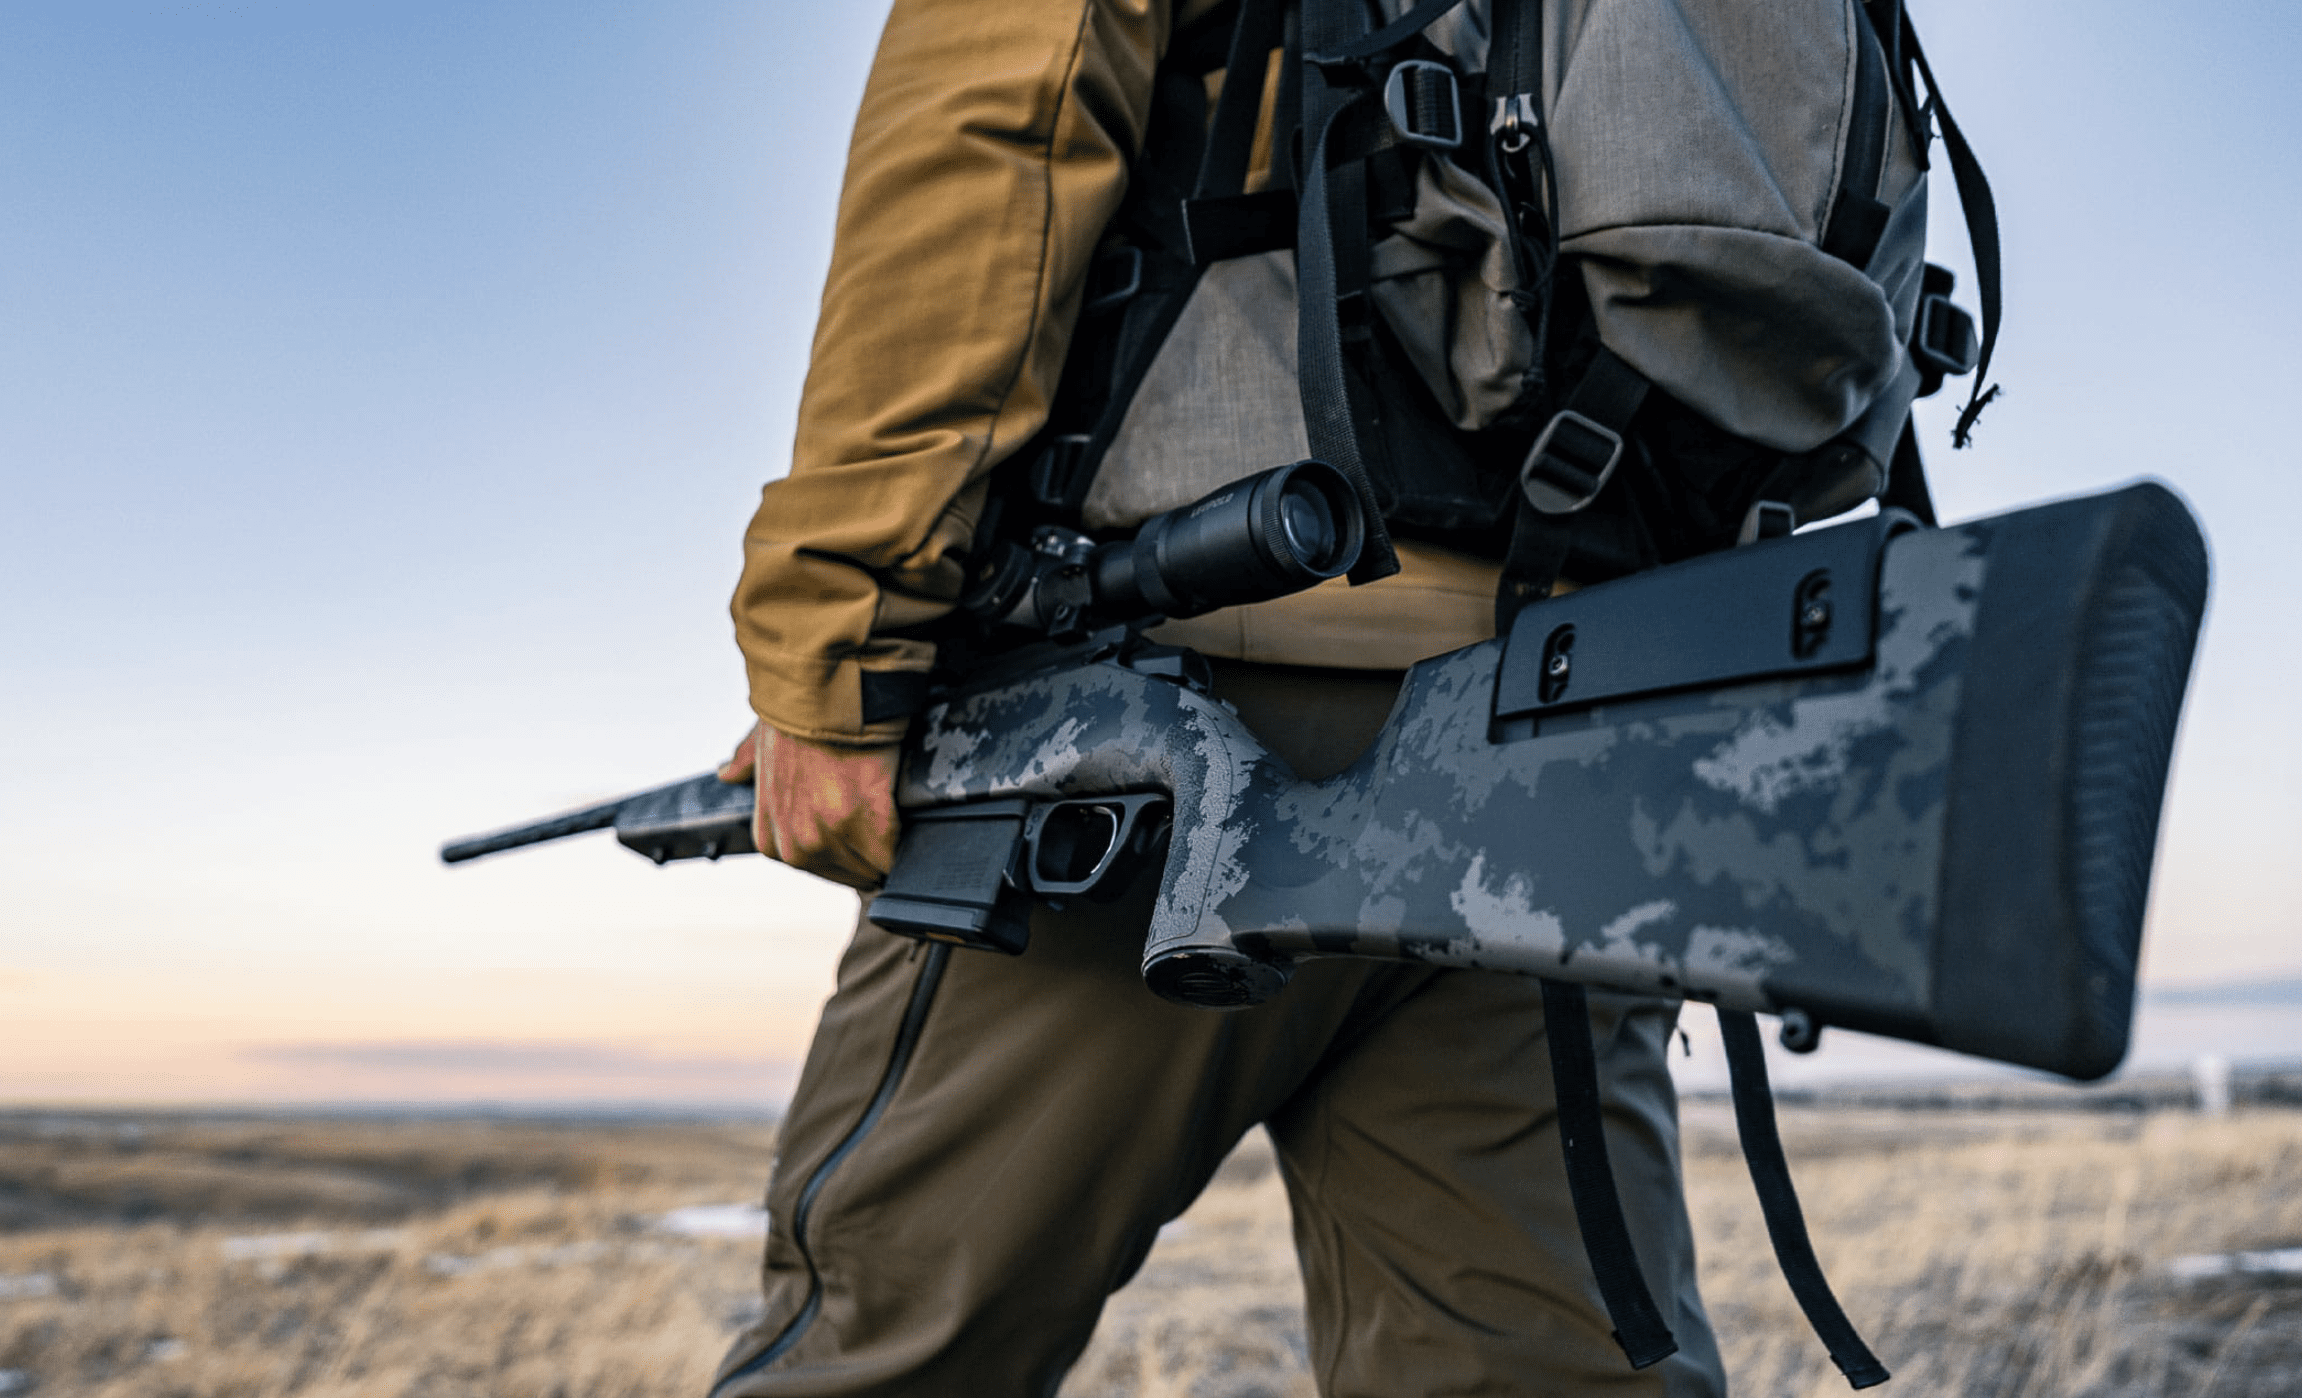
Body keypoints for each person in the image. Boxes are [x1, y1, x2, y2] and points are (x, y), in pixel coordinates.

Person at [708, 1, 1724, 1393]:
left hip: (1160, 715)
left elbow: (1000, 120)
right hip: (1559, 730)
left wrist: (838, 645)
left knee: (882, 1356)